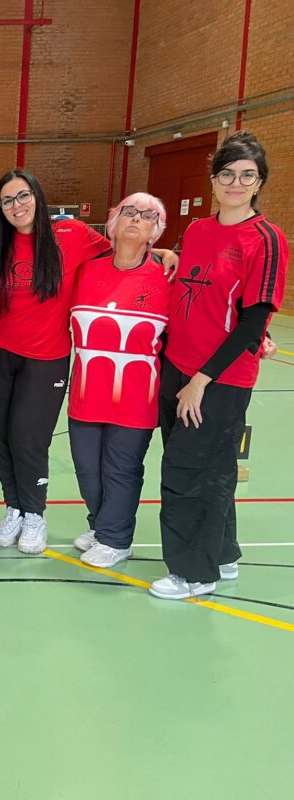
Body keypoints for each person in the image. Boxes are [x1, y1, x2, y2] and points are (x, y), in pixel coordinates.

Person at [150, 131, 288, 600]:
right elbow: (194, 288)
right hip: (176, 366)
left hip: (217, 380)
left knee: (189, 473)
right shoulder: (198, 230)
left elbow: (253, 324)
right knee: (208, 466)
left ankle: (195, 573)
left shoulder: (266, 240)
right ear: (213, 180)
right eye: (227, 173)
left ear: (259, 182)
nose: (235, 182)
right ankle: (223, 554)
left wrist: (201, 381)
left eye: (246, 175)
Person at [0, 169, 112, 554]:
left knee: (29, 439)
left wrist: (163, 254)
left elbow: (122, 256)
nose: (16, 206)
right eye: (7, 200)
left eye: (23, 196)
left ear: (37, 196)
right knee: (1, 436)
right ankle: (14, 508)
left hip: (46, 358)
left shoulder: (72, 235)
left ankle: (35, 514)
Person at [68, 194, 172, 568]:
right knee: (87, 471)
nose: (136, 219)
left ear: (155, 232)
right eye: (129, 212)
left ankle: (116, 538)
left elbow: (195, 323)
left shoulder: (166, 276)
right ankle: (101, 525)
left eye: (148, 216)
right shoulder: (86, 271)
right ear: (113, 222)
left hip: (136, 399)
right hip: (85, 395)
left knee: (121, 470)